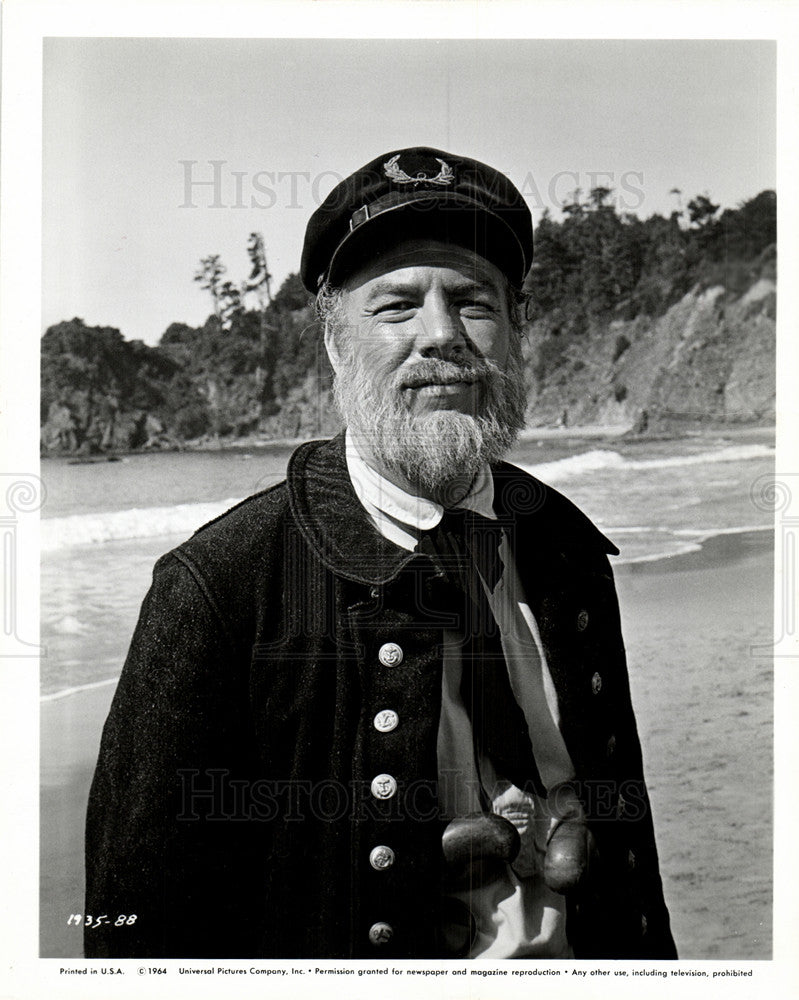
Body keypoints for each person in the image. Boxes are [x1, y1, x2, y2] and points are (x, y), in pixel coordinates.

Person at [84, 147, 676, 960]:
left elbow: (625, 848)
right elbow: (140, 933)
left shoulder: (565, 547)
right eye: (396, 306)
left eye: (473, 301)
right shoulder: (220, 589)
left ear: (515, 329)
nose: (442, 336)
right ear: (335, 344)